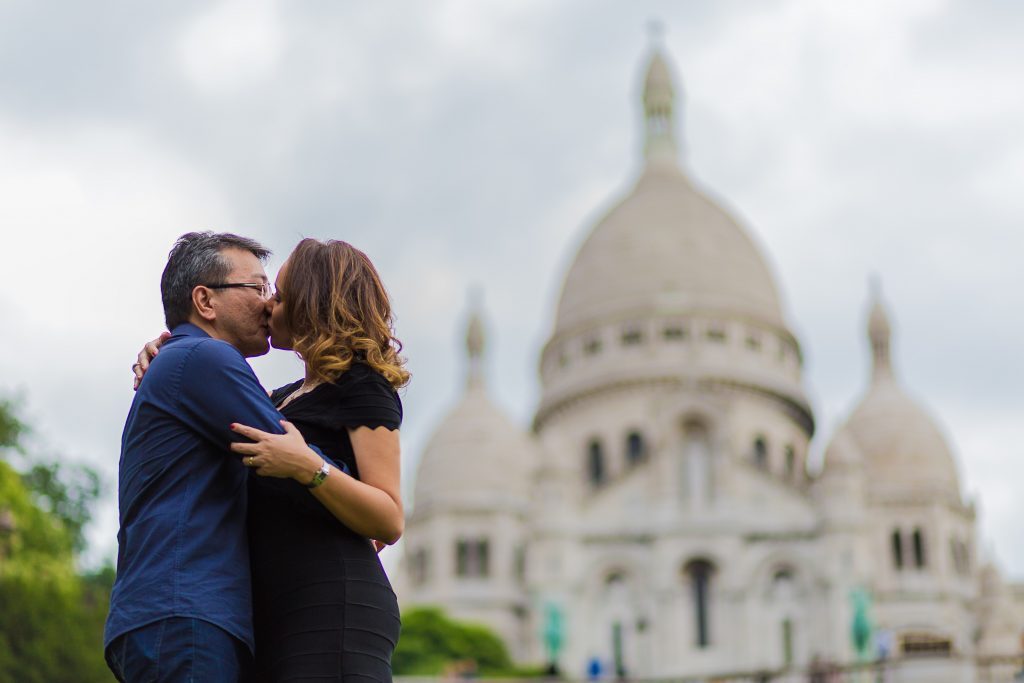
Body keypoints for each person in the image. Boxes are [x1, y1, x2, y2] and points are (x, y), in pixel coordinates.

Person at [134, 237, 408, 682]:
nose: (267, 306)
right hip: (273, 611)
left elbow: (390, 517)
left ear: (312, 303)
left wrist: (308, 468)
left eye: (277, 295)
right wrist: (166, 351)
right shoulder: (279, 400)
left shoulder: (363, 386)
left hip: (330, 604)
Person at [105, 232, 328, 682]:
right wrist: (352, 489)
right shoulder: (204, 359)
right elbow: (288, 451)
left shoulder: (182, 360)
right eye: (257, 288)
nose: (268, 305)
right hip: (187, 610)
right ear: (205, 300)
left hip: (174, 611)